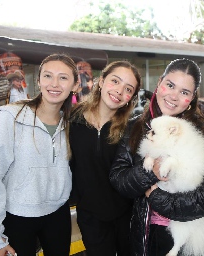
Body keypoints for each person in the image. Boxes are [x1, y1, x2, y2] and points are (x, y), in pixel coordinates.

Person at [109, 58, 204, 255]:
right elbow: (118, 178)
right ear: (159, 83)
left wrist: (159, 199)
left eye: (184, 92)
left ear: (192, 97)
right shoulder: (134, 127)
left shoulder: (203, 132)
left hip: (188, 235)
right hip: (147, 235)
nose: (174, 96)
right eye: (170, 85)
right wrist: (151, 172)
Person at [0, 53, 79, 256]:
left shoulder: (72, 124)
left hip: (58, 212)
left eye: (63, 77)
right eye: (48, 76)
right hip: (18, 214)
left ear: (74, 85)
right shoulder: (10, 117)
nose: (54, 84)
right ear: (38, 81)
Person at [69, 61, 141, 256]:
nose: (119, 91)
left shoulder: (132, 129)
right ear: (101, 81)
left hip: (127, 213)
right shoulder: (72, 119)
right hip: (90, 215)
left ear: (130, 98)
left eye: (128, 89)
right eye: (115, 81)